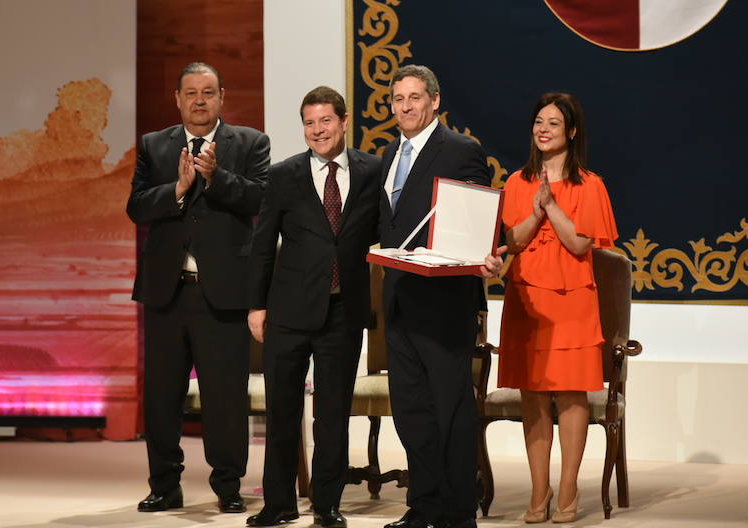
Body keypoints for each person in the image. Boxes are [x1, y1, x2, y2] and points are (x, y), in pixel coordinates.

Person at [126, 61, 271, 513]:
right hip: (166, 293)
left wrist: (214, 179)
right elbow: (136, 207)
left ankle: (229, 487)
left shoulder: (249, 143)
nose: (199, 100)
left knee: (225, 396)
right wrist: (178, 187)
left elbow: (263, 200)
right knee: (163, 395)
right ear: (177, 99)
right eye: (191, 92)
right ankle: (164, 485)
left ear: (222, 96)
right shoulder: (155, 145)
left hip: (224, 293)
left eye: (208, 92)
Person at [245, 86, 381, 528]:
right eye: (309, 123)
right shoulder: (284, 175)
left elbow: (390, 233)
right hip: (287, 311)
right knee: (282, 411)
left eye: (325, 121)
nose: (317, 130)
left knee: (333, 414)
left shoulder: (371, 170)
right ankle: (278, 503)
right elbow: (263, 244)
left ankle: (327, 504)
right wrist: (256, 305)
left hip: (343, 312)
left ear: (344, 121)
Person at [379, 64, 505, 528]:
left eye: (414, 97)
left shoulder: (460, 149)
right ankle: (425, 504)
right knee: (412, 410)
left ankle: (457, 511)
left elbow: (479, 220)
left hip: (444, 301)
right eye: (398, 98)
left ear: (434, 100)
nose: (406, 106)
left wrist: (485, 255)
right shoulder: (390, 152)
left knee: (450, 407)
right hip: (398, 299)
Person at [497, 92, 617, 523]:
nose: (543, 129)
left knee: (570, 392)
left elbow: (579, 242)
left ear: (571, 131)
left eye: (553, 123)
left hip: (572, 301)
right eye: (538, 122)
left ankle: (568, 487)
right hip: (527, 298)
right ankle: (538, 490)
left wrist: (551, 206)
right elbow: (513, 241)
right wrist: (534, 212)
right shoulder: (515, 182)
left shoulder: (591, 185)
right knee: (532, 394)